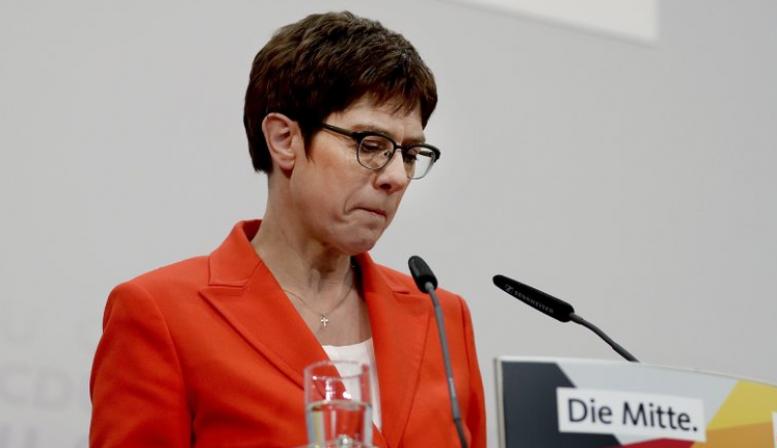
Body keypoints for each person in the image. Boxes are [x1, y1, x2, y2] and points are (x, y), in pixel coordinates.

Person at [89, 11, 486, 448]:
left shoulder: (443, 319)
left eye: (410, 153)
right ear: (284, 140)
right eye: (370, 145)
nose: (396, 176)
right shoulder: (161, 314)